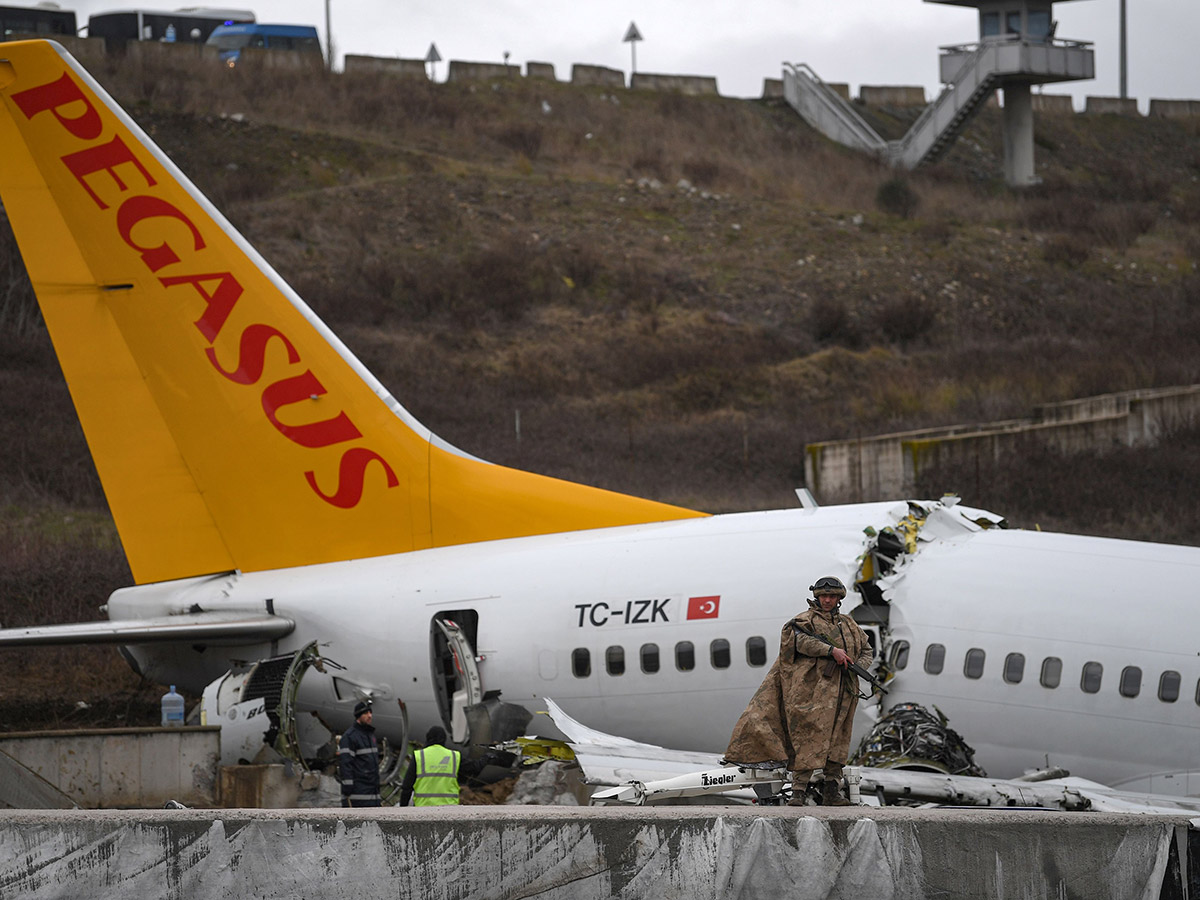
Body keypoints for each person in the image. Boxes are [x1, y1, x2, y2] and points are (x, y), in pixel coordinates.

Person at [724, 575, 874, 806]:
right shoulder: (804, 621)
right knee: (806, 740)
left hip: (844, 692)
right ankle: (798, 791)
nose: (827, 600)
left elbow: (866, 650)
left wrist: (855, 668)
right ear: (817, 597)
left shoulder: (849, 624)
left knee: (838, 742)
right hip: (812, 694)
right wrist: (830, 651)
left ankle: (832, 790)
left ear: (838, 598)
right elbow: (796, 641)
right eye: (824, 596)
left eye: (832, 596)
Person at [399, 726, 493, 806]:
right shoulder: (453, 756)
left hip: (424, 808)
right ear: (444, 739)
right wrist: (486, 758)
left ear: (428, 738)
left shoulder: (420, 756)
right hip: (449, 809)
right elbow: (474, 768)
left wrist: (403, 810)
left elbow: (407, 787)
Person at [338, 701, 381, 807]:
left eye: (370, 713)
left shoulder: (370, 736)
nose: (369, 716)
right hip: (358, 796)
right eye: (365, 713)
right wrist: (348, 790)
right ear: (358, 716)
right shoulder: (350, 737)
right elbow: (346, 764)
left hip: (373, 794)